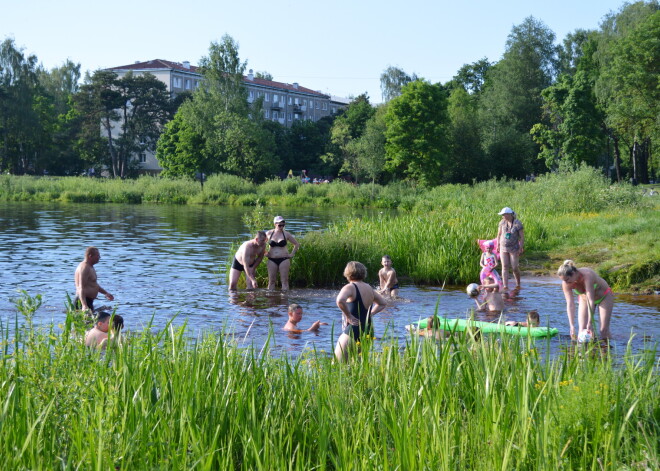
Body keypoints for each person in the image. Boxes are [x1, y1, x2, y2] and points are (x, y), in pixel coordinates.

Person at [334, 261, 387, 362]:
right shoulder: (369, 288)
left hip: (353, 329)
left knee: (337, 365)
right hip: (368, 329)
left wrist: (348, 316)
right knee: (357, 365)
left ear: (347, 272)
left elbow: (340, 300)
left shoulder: (350, 287)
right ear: (363, 273)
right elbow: (383, 303)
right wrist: (369, 314)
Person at [557, 260, 614, 340]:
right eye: (563, 280)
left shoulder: (587, 275)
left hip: (603, 297)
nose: (565, 283)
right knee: (583, 330)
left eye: (567, 280)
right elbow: (570, 305)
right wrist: (572, 326)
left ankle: (607, 349)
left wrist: (590, 322)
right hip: (584, 299)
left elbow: (591, 300)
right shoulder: (565, 284)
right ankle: (589, 350)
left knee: (603, 330)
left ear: (573, 274)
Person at [74, 246, 114, 312]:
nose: (99, 257)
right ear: (90, 256)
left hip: (88, 301)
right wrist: (84, 305)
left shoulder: (90, 267)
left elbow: (93, 284)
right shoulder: (84, 267)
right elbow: (81, 287)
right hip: (83, 301)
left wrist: (106, 293)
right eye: (97, 256)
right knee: (87, 321)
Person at [265, 216, 300, 291]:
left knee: (284, 281)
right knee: (271, 281)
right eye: (279, 225)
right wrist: (265, 253)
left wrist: (292, 254)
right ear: (275, 224)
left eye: (283, 225)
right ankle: (271, 300)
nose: (281, 227)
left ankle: (284, 300)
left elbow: (296, 244)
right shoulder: (268, 233)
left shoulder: (286, 234)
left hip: (284, 259)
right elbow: (260, 244)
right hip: (271, 259)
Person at [495, 207, 524, 290]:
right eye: (502, 215)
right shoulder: (502, 223)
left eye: (504, 215)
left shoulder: (517, 223)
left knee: (514, 267)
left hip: (514, 248)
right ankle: (505, 286)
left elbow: (522, 237)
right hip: (503, 247)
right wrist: (498, 245)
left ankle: (518, 284)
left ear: (509, 214)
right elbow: (499, 234)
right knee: (505, 266)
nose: (503, 216)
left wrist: (521, 247)